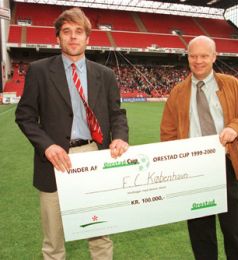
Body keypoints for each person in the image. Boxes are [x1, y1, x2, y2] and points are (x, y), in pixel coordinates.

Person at [15, 8, 128, 260]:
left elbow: (117, 113)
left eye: (79, 32)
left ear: (88, 38)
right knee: (53, 238)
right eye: (67, 32)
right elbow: (25, 116)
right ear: (58, 37)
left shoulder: (105, 74)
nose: (73, 37)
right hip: (54, 159)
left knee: (100, 231)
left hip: (94, 154)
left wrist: (120, 137)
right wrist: (46, 146)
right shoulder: (40, 70)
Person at [160, 35, 238, 260]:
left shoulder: (232, 84)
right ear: (187, 58)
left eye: (204, 56)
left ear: (214, 57)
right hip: (192, 169)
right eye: (193, 56)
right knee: (200, 232)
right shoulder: (177, 93)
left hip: (225, 165)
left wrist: (235, 127)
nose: (198, 61)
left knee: (232, 229)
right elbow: (168, 134)